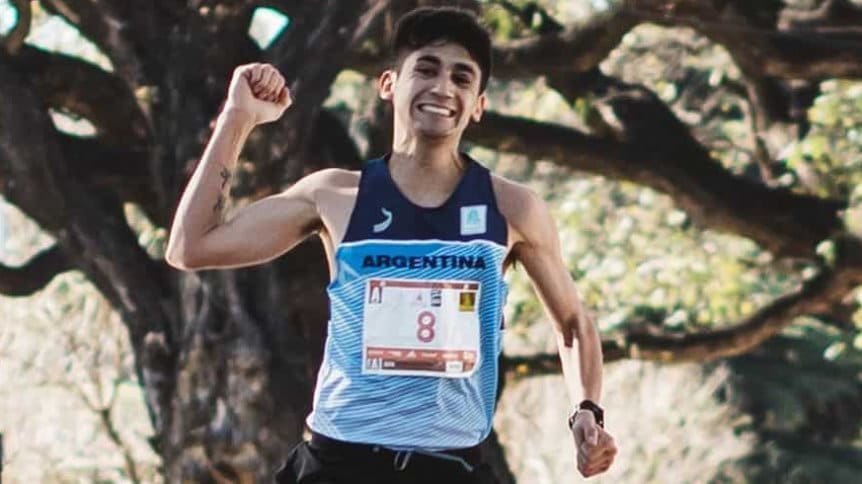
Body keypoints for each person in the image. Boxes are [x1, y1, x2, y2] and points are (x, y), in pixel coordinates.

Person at [166, 6, 617, 483]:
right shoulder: (335, 196)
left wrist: (586, 409)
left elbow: (573, 323)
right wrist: (238, 118)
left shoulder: (511, 209)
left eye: (462, 78)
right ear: (388, 84)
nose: (442, 88)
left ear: (478, 105)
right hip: (338, 465)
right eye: (426, 69)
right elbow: (191, 246)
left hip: (450, 468)